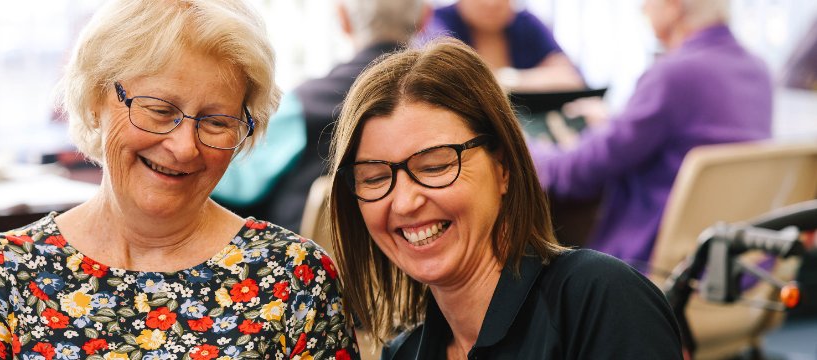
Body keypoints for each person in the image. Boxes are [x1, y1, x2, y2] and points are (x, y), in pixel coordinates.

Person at [0, 1, 359, 359]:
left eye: (216, 122)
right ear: (95, 97)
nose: (184, 147)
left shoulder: (295, 277)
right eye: (159, 110)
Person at [326, 38, 683, 359]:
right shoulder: (403, 353)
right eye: (374, 178)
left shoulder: (601, 302)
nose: (404, 203)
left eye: (435, 166)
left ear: (504, 168)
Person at [531, 0, 773, 271]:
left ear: (673, 6)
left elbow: (580, 170)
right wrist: (614, 124)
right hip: (734, 263)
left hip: (654, 264)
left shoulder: (673, 75)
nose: (642, 9)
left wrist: (530, 150)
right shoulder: (757, 70)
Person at [212, 0, 430, 232]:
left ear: (343, 20)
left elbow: (238, 186)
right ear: (425, 19)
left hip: (306, 259)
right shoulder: (442, 99)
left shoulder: (304, 105)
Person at [419, 0, 583, 92]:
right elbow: (455, 80)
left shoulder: (525, 22)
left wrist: (507, 78)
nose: (491, 3)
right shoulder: (438, 23)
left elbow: (570, 78)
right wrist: (536, 79)